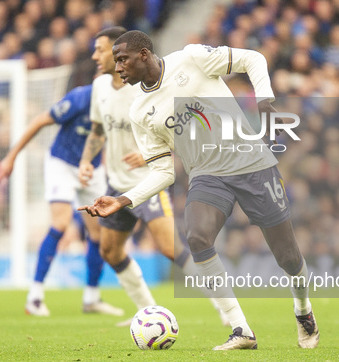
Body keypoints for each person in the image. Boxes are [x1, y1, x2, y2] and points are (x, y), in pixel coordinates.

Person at [79, 30, 319, 350]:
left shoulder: (191, 58)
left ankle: (303, 310)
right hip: (207, 175)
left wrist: (264, 101)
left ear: (144, 55)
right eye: (116, 61)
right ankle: (241, 329)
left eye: (122, 59)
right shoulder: (140, 111)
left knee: (287, 256)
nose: (118, 66)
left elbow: (253, 58)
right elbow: (163, 172)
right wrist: (123, 199)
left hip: (253, 164)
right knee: (197, 237)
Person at [79, 27, 228, 326]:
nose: (96, 56)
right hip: (116, 183)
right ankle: (147, 312)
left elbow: (178, 128)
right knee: (109, 250)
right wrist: (86, 160)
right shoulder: (99, 88)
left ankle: (224, 305)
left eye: (101, 50)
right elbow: (98, 129)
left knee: (170, 247)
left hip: (148, 179)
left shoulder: (143, 85)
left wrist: (156, 154)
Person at [0, 81, 123, 318]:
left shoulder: (123, 101)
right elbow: (39, 121)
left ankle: (92, 298)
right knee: (61, 224)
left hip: (92, 169)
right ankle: (34, 297)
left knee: (97, 234)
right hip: (61, 163)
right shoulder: (80, 98)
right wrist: (11, 157)